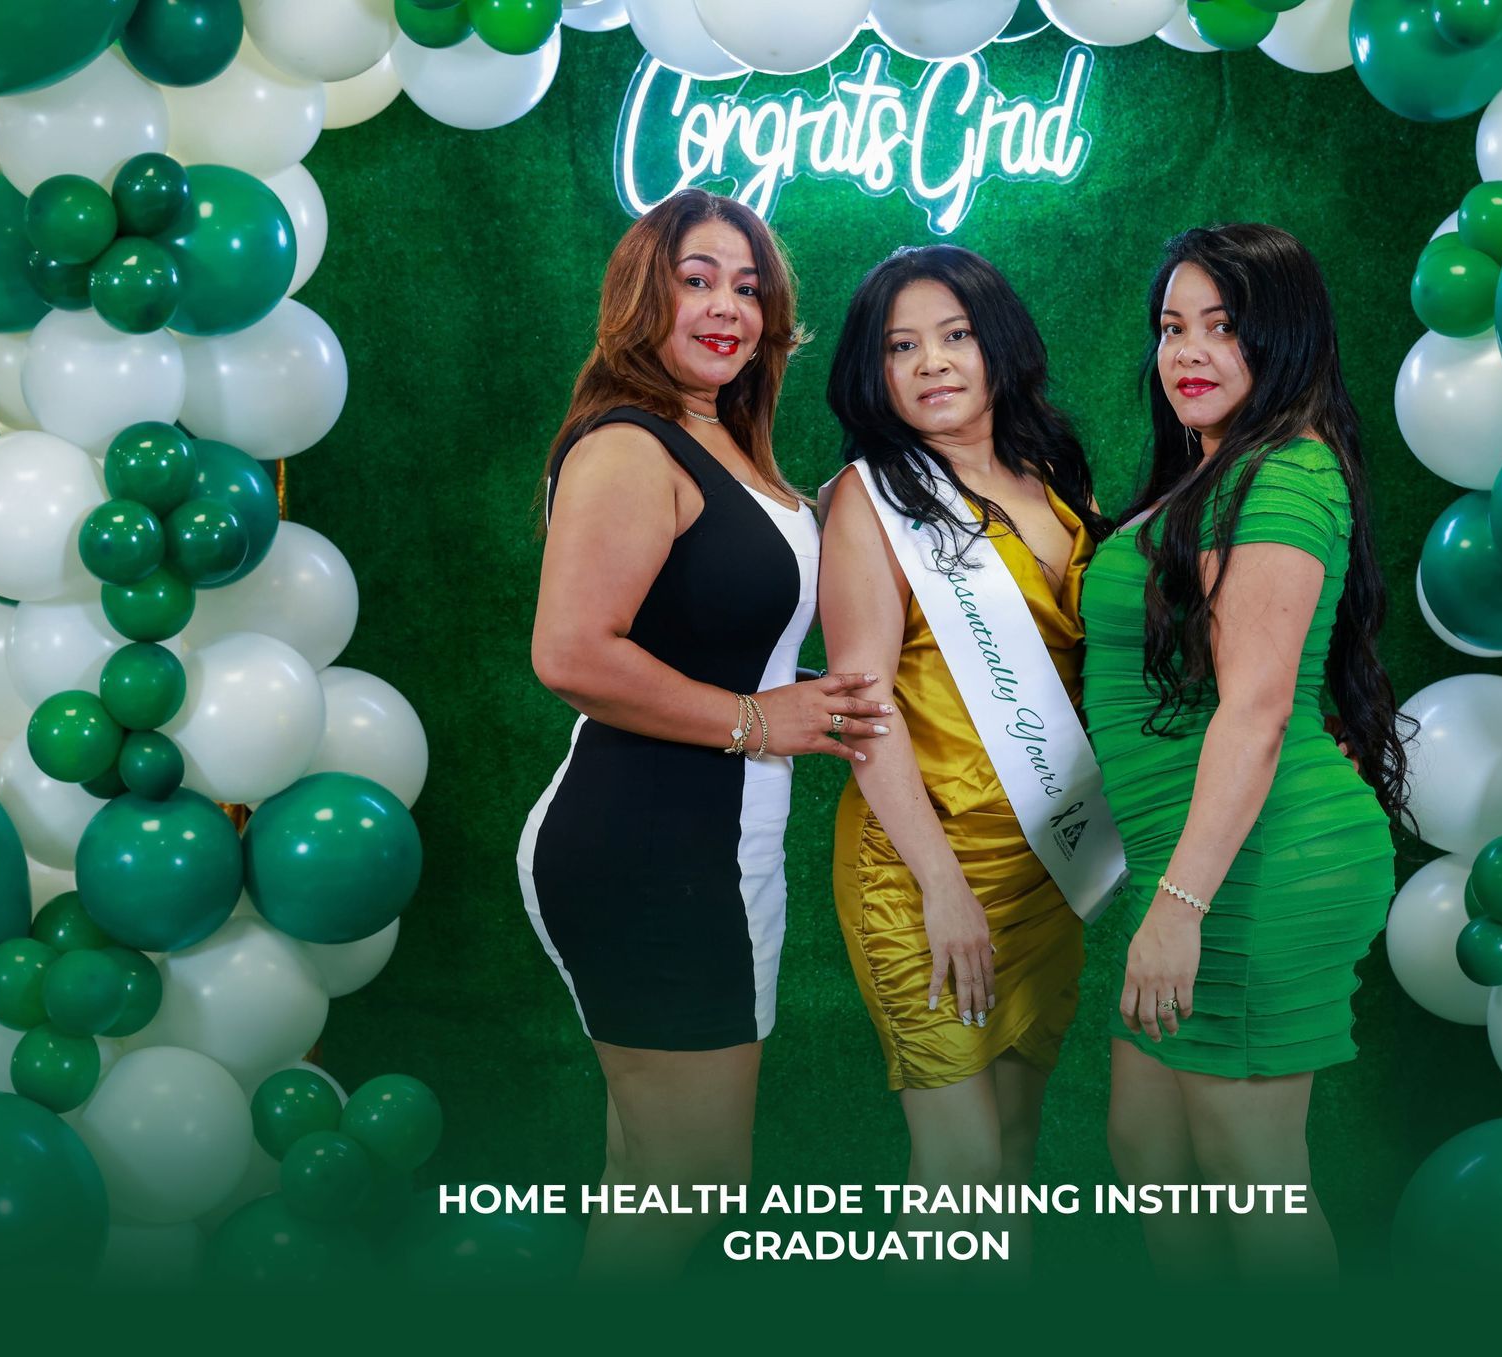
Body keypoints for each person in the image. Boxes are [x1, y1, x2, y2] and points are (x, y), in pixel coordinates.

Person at [520, 189, 892, 1277]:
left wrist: (793, 688)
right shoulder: (631, 445)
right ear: (645, 295)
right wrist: (757, 718)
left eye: (748, 284)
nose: (727, 304)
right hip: (647, 850)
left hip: (711, 851)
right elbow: (574, 654)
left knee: (647, 1184)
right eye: (697, 278)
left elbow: (719, 634)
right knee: (689, 1186)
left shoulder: (724, 440)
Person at [1080, 224, 1412, 1280]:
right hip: (1203, 857)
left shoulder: (1283, 475)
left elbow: (1259, 709)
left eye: (1225, 328)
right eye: (1174, 327)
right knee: (1149, 1146)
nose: (1190, 351)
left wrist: (1179, 906)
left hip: (1249, 869)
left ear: (1288, 337)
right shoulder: (1211, 476)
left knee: (1249, 1171)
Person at [818, 244, 1120, 1228]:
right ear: (875, 371)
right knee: (962, 1175)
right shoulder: (869, 499)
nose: (933, 362)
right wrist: (943, 886)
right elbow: (863, 707)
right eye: (902, 346)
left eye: (954, 336)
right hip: (922, 870)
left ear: (999, 344)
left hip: (1045, 861)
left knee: (1016, 1152)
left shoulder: (1053, 474)